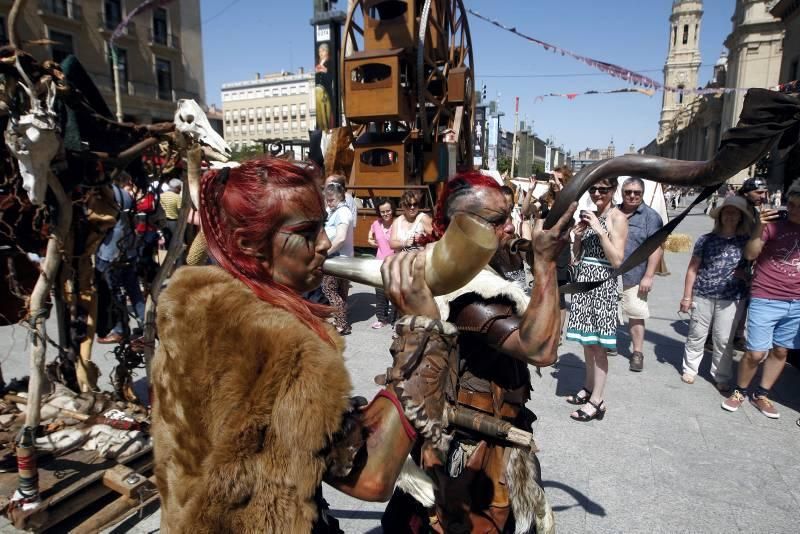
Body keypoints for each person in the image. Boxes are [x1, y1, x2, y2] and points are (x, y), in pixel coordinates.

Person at [151, 157, 441, 532]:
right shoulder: (285, 348)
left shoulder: (186, 309)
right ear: (247, 244)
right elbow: (373, 478)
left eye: (323, 226)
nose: (324, 243)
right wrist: (423, 330)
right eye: (307, 232)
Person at [380, 171, 576, 533]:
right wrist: (546, 262)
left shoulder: (485, 268)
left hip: (496, 430)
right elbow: (541, 349)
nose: (511, 229)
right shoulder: (468, 290)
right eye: (498, 222)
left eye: (510, 217)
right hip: (468, 451)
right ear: (461, 229)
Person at [722, 180, 800, 419]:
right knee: (756, 352)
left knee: (780, 351)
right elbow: (750, 253)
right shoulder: (774, 224)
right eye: (792, 204)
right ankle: (740, 390)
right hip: (767, 295)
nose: (794, 210)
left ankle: (762, 393)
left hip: (796, 301)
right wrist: (759, 227)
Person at [564, 178, 628, 422]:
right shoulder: (591, 214)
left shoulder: (617, 217)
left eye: (603, 189)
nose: (598, 193)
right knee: (587, 343)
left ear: (613, 191)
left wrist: (601, 231)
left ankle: (597, 401)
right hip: (584, 281)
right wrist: (578, 238)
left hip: (601, 284)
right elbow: (578, 257)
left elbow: (617, 261)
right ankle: (589, 388)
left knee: (598, 347)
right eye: (594, 189)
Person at [679, 196, 752, 390]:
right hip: (703, 293)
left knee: (723, 338)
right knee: (697, 333)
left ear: (740, 217)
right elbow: (693, 268)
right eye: (726, 212)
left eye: (734, 213)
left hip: (732, 297)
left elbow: (759, 265)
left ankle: (721, 375)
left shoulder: (746, 242)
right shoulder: (706, 239)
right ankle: (690, 368)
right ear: (719, 216)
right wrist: (687, 296)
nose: (730, 216)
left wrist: (745, 275)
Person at [617, 177, 664, 372]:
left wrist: (649, 275)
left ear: (642, 193)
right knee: (609, 311)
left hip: (636, 275)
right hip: (611, 274)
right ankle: (608, 344)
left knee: (636, 314)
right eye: (628, 192)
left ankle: (637, 352)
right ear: (622, 192)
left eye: (637, 192)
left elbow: (656, 248)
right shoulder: (614, 212)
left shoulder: (650, 217)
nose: (632, 195)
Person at [95, 177, 146, 345]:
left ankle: (120, 329)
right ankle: (146, 324)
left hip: (111, 250)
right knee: (133, 289)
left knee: (113, 292)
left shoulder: (107, 193)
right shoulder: (125, 194)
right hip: (127, 247)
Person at [322, 182, 354, 335]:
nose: (329, 203)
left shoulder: (342, 212)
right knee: (340, 291)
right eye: (327, 199)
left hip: (338, 257)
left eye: (331, 199)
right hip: (341, 257)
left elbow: (340, 238)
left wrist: (325, 253)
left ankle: (342, 325)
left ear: (340, 197)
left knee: (330, 290)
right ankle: (341, 320)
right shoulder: (335, 210)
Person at [489, 185, 528, 291]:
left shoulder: (515, 238)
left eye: (510, 208)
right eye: (500, 211)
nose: (511, 227)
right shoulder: (487, 248)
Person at [368, 197, 396, 329]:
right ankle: (382, 319)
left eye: (388, 211)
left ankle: (395, 319)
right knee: (380, 292)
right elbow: (369, 237)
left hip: (395, 263)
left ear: (392, 210)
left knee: (395, 293)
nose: (386, 214)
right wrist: (372, 242)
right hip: (379, 262)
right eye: (383, 212)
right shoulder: (376, 224)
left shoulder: (398, 223)